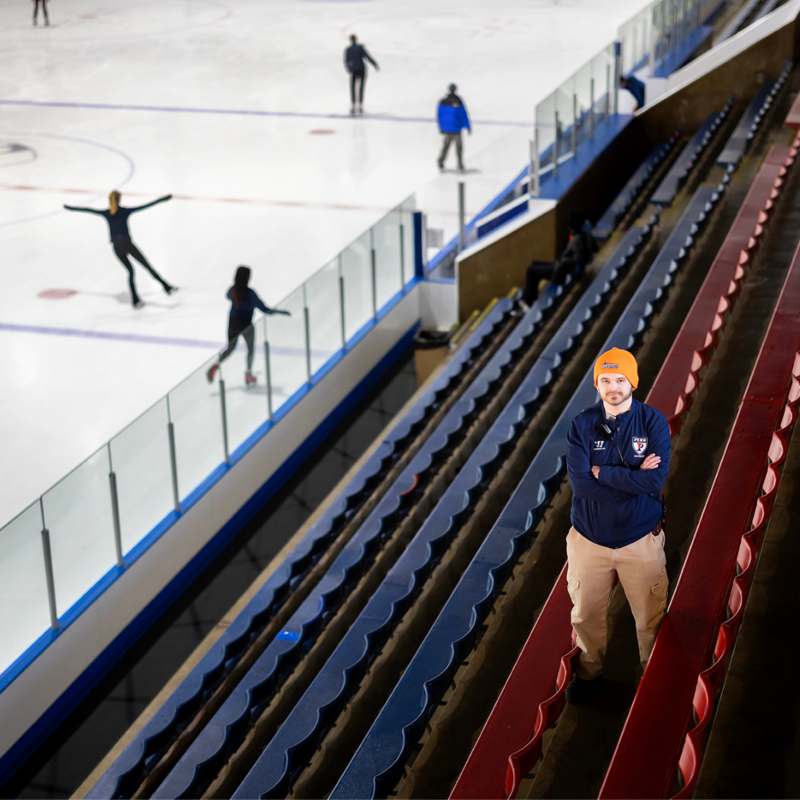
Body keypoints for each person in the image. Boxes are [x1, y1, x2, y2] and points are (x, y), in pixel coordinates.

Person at [563, 348, 670, 704]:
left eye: (620, 379)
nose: (612, 387)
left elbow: (653, 483)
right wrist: (631, 479)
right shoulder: (581, 424)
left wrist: (604, 473)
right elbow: (581, 487)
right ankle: (590, 675)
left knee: (649, 620)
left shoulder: (653, 422)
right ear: (598, 383)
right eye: (605, 380)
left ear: (632, 382)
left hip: (639, 540)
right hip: (588, 541)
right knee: (587, 616)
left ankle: (651, 683)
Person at [64, 191, 177, 309]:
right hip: (127, 243)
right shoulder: (124, 211)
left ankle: (135, 299)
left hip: (116, 248)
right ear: (119, 200)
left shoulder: (106, 213)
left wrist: (70, 208)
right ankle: (166, 287)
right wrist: (162, 199)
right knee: (146, 266)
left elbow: (88, 210)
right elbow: (145, 206)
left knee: (131, 272)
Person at [207, 266, 291, 387]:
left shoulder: (233, 290)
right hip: (246, 324)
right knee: (250, 348)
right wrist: (279, 311)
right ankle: (248, 373)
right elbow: (264, 309)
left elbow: (227, 296)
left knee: (230, 347)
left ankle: (216, 364)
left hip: (233, 322)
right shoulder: (250, 294)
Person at [521, 213, 596, 307]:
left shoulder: (579, 240)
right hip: (562, 266)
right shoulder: (583, 236)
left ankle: (528, 302)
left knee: (531, 271)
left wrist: (562, 263)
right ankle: (527, 296)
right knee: (534, 263)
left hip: (563, 271)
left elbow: (578, 260)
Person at [437, 84, 471, 171]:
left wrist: (441, 127)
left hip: (448, 128)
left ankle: (441, 161)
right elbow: (463, 114)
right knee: (458, 147)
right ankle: (460, 164)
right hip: (456, 128)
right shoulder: (458, 101)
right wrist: (467, 126)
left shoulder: (443, 101)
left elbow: (440, 116)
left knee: (446, 146)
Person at [344, 34, 379, 115]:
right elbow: (367, 56)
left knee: (353, 87)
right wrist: (374, 64)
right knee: (361, 87)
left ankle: (353, 105)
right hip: (361, 69)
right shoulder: (360, 47)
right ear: (356, 39)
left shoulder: (348, 49)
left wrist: (349, 69)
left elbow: (346, 61)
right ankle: (360, 105)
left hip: (354, 70)